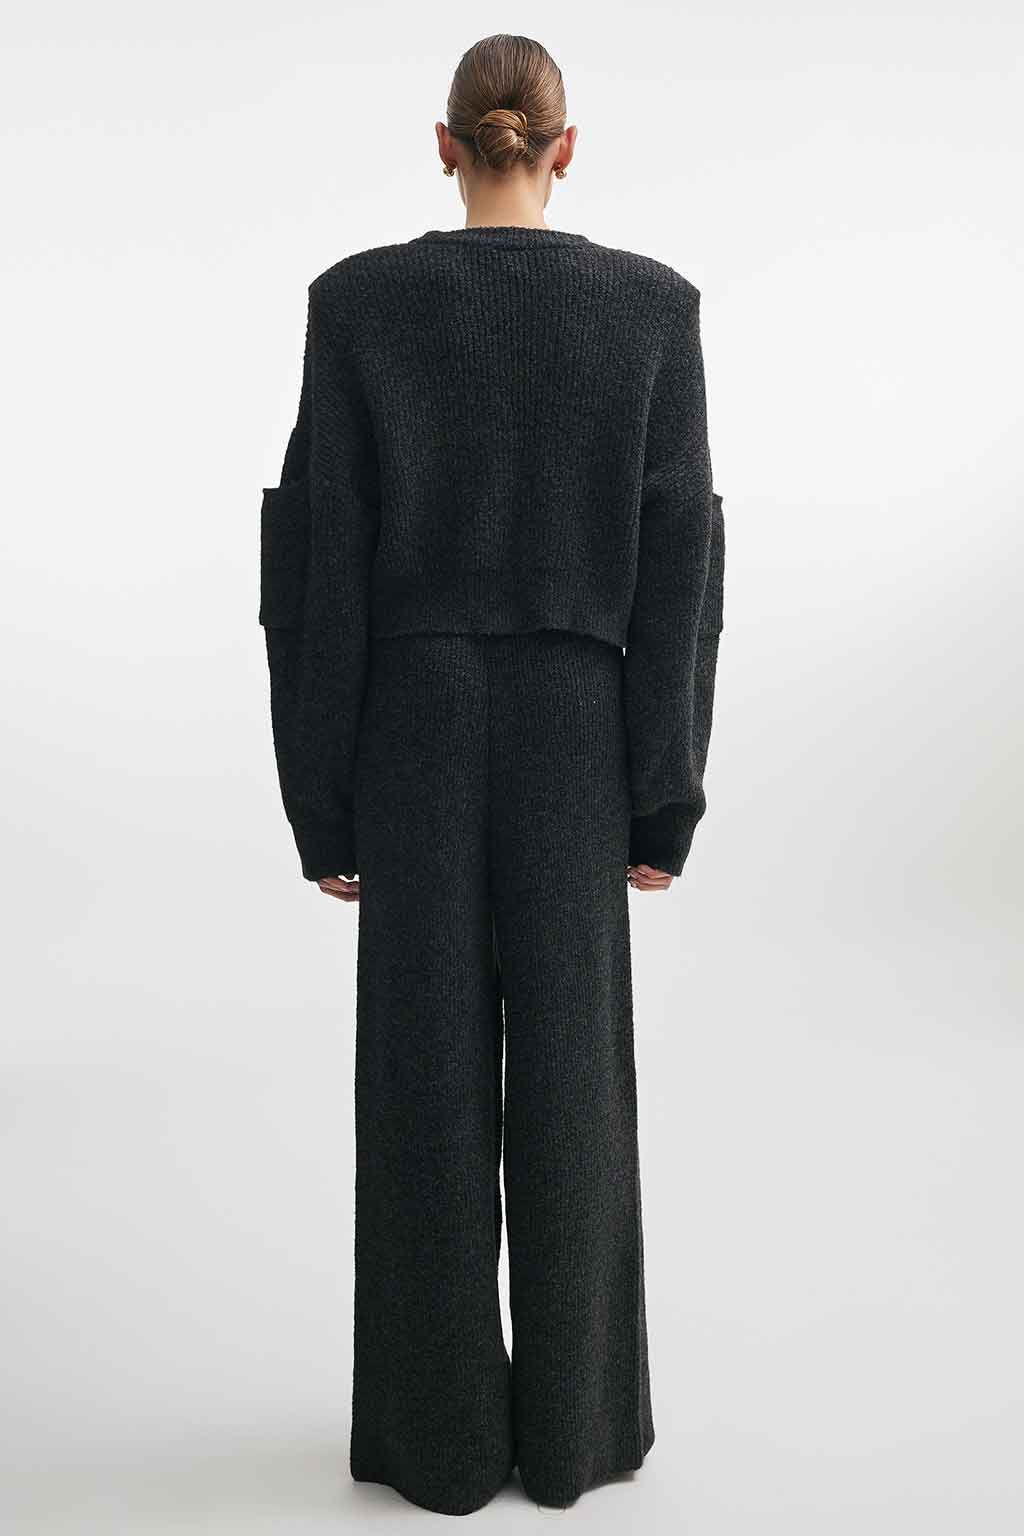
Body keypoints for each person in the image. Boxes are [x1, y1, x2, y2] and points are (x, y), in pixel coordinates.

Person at [258, 31, 725, 1518]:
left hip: (411, 727)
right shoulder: (651, 310)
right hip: (580, 732)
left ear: (445, 144)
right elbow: (678, 571)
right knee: (577, 1089)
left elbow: (320, 565)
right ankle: (576, 1438)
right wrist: (662, 793)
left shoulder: (356, 305)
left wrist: (321, 798)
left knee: (422, 1085)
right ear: (565, 148)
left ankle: (438, 1442)